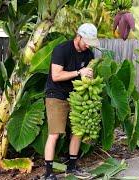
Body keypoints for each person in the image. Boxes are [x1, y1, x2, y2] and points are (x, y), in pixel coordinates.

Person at [42, 23, 100, 180]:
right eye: (86, 41)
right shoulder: (62, 50)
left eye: (91, 43)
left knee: (77, 131)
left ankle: (72, 167)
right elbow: (56, 76)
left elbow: (87, 75)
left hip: (75, 95)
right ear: (78, 36)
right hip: (56, 94)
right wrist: (78, 72)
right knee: (54, 134)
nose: (88, 45)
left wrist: (89, 78)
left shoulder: (89, 54)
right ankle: (48, 173)